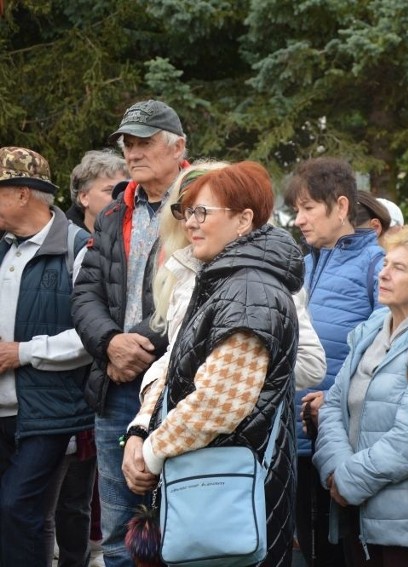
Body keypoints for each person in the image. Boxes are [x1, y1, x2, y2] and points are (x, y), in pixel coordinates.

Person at [121, 161, 304, 566]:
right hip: (213, 487)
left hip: (228, 494)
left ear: (243, 220)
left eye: (203, 212)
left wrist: (151, 452)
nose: (190, 223)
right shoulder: (224, 281)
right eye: (186, 212)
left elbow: (218, 404)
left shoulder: (249, 290)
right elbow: (173, 369)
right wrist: (139, 431)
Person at [71, 99, 187, 567]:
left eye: (145, 142)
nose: (133, 152)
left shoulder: (200, 203)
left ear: (178, 146)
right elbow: (84, 294)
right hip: (116, 384)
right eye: (129, 143)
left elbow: (192, 290)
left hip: (178, 383)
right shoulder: (115, 209)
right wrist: (110, 343)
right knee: (120, 527)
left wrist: (135, 343)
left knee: (183, 518)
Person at [312, 227, 408, 566]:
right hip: (355, 512)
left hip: (405, 520)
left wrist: (349, 480)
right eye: (385, 264)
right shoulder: (369, 334)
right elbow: (334, 405)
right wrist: (336, 469)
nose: (383, 273)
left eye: (398, 268)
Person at [284, 157, 385, 567]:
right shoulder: (301, 265)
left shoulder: (376, 264)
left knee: (341, 553)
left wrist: (334, 396)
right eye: (297, 209)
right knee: (306, 549)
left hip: (343, 437)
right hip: (295, 433)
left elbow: (386, 345)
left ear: (340, 206)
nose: (299, 219)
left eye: (308, 207)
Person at [0, 146, 94, 566]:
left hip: (48, 412)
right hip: (2, 411)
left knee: (18, 508)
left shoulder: (79, 248)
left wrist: (24, 353)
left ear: (21, 193)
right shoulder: (3, 247)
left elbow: (93, 334)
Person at [45, 149, 129, 567]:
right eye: (108, 189)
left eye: (122, 187)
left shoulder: (128, 239)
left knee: (82, 497)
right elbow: (83, 313)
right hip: (65, 388)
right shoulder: (71, 244)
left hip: (101, 388)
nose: (119, 195)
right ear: (82, 197)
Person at [66, 150, 129, 233]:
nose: (120, 196)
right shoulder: (64, 241)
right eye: (109, 190)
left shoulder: (137, 235)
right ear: (84, 197)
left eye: (124, 190)